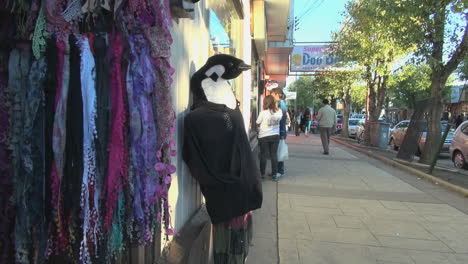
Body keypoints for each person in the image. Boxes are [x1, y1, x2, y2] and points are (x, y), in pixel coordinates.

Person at [256, 95, 282, 180]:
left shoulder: (263, 113)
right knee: (273, 155)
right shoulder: (279, 112)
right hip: (275, 136)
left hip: (264, 136)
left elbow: (257, 122)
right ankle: (274, 174)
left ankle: (262, 174)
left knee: (263, 155)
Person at [271, 88, 287, 177]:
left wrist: (281, 133)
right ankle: (277, 170)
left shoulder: (280, 104)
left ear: (277, 94)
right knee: (277, 151)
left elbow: (281, 120)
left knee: (279, 151)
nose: (271, 96)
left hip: (280, 132)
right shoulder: (281, 103)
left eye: (272, 94)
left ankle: (280, 171)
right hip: (280, 131)